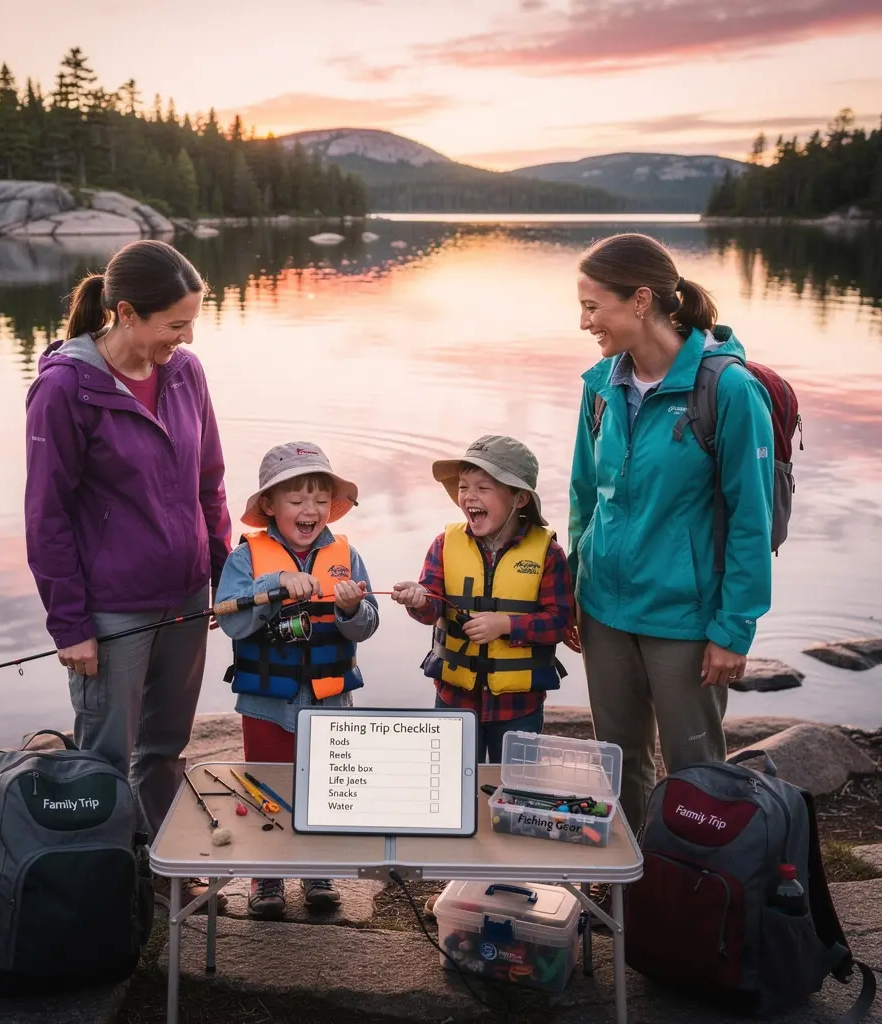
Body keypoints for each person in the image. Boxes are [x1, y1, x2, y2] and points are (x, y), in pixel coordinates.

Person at [24, 239, 232, 910]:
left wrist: (224, 577)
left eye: (191, 322)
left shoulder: (186, 373)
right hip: (112, 609)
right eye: (175, 324)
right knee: (106, 755)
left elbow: (209, 483)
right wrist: (70, 625)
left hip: (187, 594)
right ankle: (106, 889)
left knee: (166, 746)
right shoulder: (64, 389)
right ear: (126, 314)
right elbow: (47, 517)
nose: (186, 337)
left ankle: (163, 871)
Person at [568, 232, 774, 834]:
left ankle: (698, 884)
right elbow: (585, 496)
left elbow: (750, 519)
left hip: (684, 619)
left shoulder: (729, 390)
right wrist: (576, 588)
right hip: (604, 610)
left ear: (639, 300)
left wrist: (734, 629)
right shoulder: (600, 387)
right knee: (618, 765)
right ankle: (628, 883)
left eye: (592, 307)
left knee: (696, 776)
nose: (583, 323)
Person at [215, 441, 379, 919]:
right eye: (296, 499)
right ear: (269, 505)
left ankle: (316, 870)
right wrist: (275, 584)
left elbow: (368, 623)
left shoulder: (347, 555)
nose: (311, 510)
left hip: (331, 702)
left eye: (321, 500)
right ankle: (266, 876)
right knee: (267, 786)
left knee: (323, 786)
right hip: (266, 704)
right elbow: (230, 620)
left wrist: (351, 609)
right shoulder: (245, 558)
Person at [393, 435, 575, 763]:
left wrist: (505, 625)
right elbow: (431, 606)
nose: (469, 496)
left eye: (483, 488)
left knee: (513, 785)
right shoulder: (443, 544)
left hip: (519, 707)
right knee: (453, 783)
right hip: (454, 700)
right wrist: (418, 600)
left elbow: (560, 623)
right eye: (463, 487)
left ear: (519, 498)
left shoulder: (549, 553)